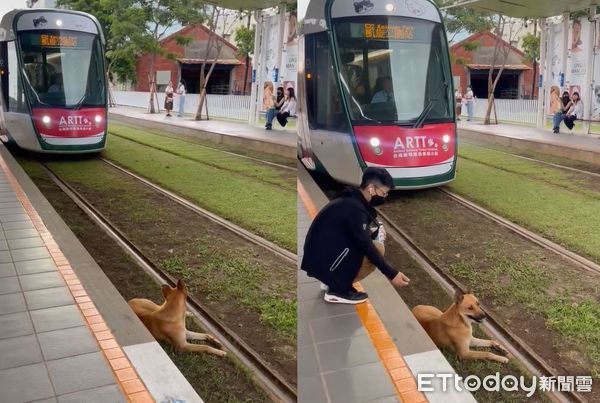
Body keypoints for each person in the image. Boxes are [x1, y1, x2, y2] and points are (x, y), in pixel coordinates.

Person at [301, 168, 410, 304]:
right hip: (322, 261)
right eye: (383, 193)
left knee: (369, 246)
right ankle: (338, 290)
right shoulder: (355, 209)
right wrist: (392, 274)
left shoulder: (350, 197)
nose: (384, 197)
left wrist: (373, 232)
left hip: (319, 258)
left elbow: (354, 231)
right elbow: (366, 246)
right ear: (371, 188)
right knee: (377, 250)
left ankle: (330, 280)